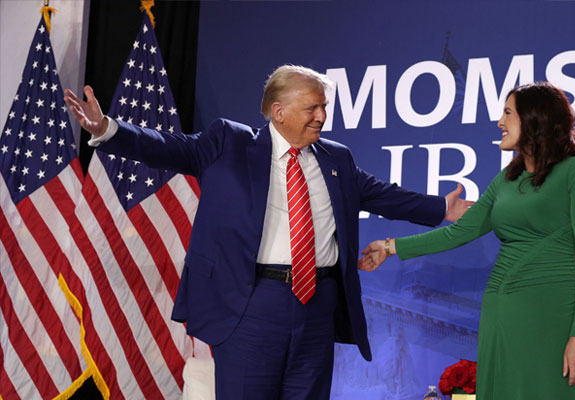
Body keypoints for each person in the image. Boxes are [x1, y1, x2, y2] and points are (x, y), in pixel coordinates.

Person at [64, 65, 471, 399]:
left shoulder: (336, 159)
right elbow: (168, 147)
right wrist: (106, 129)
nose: (322, 117)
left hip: (317, 306)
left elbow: (383, 196)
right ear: (279, 111)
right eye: (313, 107)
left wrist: (442, 208)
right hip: (250, 305)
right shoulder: (229, 142)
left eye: (324, 107)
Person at [359, 82, 575, 399]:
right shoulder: (506, 180)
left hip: (552, 318)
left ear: (535, 119)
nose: (500, 122)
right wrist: (392, 247)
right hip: (501, 315)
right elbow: (458, 232)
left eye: (508, 113)